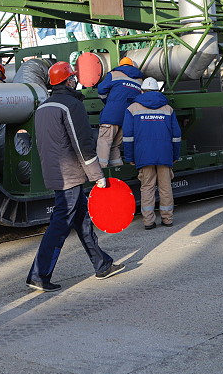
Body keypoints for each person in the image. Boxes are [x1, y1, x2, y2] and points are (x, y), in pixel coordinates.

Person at [26, 60, 124, 292]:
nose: (75, 81)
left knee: (82, 218)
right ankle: (39, 275)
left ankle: (102, 264)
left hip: (55, 173)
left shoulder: (43, 107)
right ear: (69, 80)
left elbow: (42, 144)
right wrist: (97, 174)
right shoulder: (71, 105)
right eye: (73, 78)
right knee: (60, 223)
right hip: (70, 174)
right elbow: (82, 144)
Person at [122, 77, 182, 229]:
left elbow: (128, 136)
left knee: (147, 187)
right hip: (164, 153)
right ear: (157, 90)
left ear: (142, 90)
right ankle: (167, 219)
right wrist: (175, 155)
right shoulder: (168, 109)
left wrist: (129, 157)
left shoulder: (132, 108)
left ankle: (149, 222)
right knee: (165, 187)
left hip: (144, 154)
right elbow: (176, 136)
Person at [95, 55, 144, 168]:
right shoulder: (139, 80)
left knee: (104, 142)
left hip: (111, 115)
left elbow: (101, 89)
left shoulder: (113, 74)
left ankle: (101, 171)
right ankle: (118, 170)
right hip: (127, 117)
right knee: (115, 145)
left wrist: (108, 102)